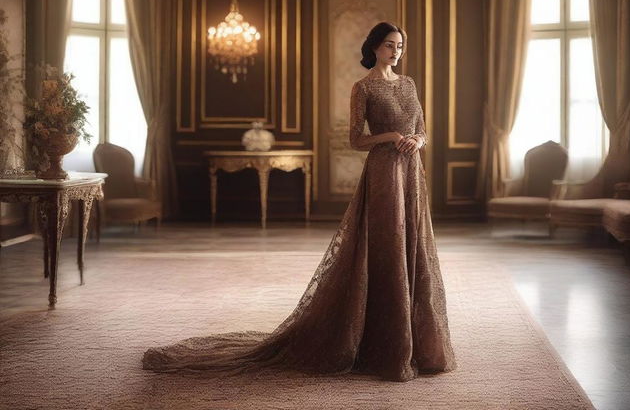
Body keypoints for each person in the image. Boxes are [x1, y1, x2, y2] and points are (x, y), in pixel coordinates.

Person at [142, 21, 456, 382]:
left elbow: (424, 131)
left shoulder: (409, 83)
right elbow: (355, 140)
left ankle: (418, 343)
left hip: (411, 172)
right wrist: (390, 136)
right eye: (389, 45)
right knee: (386, 245)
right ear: (373, 48)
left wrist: (416, 141)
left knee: (412, 245)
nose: (396, 51)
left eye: (399, 45)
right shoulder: (363, 88)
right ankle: (381, 342)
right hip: (384, 172)